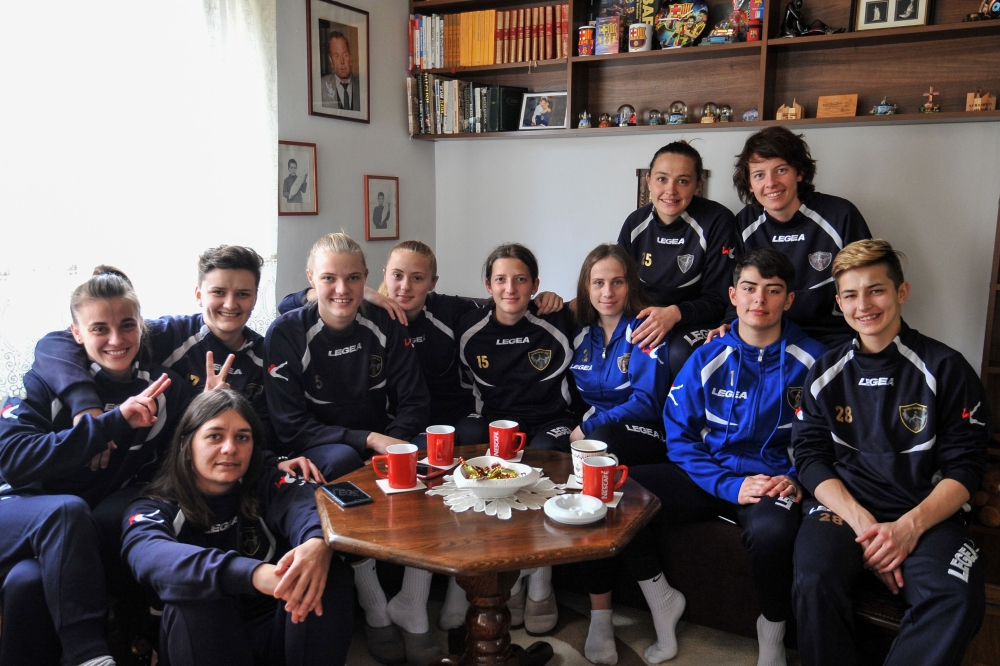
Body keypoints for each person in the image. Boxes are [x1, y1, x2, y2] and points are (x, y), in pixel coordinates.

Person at [582, 249, 826, 666]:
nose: (759, 301)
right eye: (749, 289)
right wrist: (727, 484)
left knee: (772, 535)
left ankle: (771, 641)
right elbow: (679, 438)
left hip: (771, 483)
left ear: (789, 299)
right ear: (733, 295)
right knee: (613, 493)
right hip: (710, 476)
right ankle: (662, 601)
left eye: (773, 291)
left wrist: (795, 478)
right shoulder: (707, 356)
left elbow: (822, 442)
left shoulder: (816, 361)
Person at [792, 239, 991, 666]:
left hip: (927, 514)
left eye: (876, 289)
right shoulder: (823, 372)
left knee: (957, 597)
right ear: (839, 302)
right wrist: (866, 526)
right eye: (850, 294)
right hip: (844, 513)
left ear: (901, 292)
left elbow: (967, 466)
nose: (863, 304)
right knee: (813, 578)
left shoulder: (946, 366)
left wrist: (905, 529)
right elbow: (809, 458)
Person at [0, 268, 194, 666]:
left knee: (28, 583)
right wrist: (111, 422)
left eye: (126, 325)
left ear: (141, 325)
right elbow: (14, 462)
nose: (116, 340)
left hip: (71, 533)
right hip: (17, 510)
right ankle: (89, 657)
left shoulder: (162, 387)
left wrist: (211, 408)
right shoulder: (46, 382)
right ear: (76, 334)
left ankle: (135, 644)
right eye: (99, 328)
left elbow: (179, 459)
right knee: (66, 510)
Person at [263, 232, 434, 665]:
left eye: (353, 278)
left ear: (366, 281)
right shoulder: (285, 332)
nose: (342, 290)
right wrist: (368, 441)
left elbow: (415, 400)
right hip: (322, 444)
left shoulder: (385, 323)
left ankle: (413, 602)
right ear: (310, 280)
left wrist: (392, 441)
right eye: (330, 278)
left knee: (429, 458)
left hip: (381, 436)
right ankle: (374, 604)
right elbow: (290, 425)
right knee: (342, 462)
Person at [29, 245, 321, 482]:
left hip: (225, 468)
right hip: (158, 472)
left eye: (242, 294)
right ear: (198, 295)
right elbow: (54, 343)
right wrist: (85, 405)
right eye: (218, 292)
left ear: (256, 298)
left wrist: (275, 460)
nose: (230, 304)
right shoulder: (165, 335)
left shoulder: (265, 354)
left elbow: (266, 430)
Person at [120, 389, 354, 666]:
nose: (230, 448)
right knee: (198, 598)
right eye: (215, 436)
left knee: (323, 573)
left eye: (242, 437)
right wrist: (253, 574)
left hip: (278, 622)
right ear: (186, 444)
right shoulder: (152, 507)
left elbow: (306, 505)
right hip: (203, 638)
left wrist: (316, 542)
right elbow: (147, 555)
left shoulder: (266, 481)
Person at [455, 243, 577, 636]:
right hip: (495, 421)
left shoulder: (555, 321)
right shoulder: (468, 329)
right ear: (488, 286)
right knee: (469, 441)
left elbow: (599, 300)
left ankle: (540, 578)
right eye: (502, 279)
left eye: (521, 279)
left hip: (550, 421)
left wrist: (559, 300)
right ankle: (486, 573)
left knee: (543, 452)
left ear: (535, 285)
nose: (511, 288)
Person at [726, 126, 872, 347]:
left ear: (800, 173)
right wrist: (728, 322)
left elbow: (869, 282)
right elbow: (736, 284)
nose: (771, 183)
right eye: (759, 175)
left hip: (833, 335)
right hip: (768, 335)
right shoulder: (744, 223)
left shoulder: (840, 215)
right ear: (750, 183)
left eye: (781, 170)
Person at [616, 140, 738, 375]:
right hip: (645, 316)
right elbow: (617, 282)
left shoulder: (718, 220)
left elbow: (719, 299)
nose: (670, 191)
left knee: (676, 353)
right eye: (662, 179)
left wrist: (675, 313)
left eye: (682, 181)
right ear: (648, 180)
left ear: (698, 185)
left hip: (695, 320)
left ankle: (674, 412)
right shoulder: (635, 223)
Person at [568, 243, 672, 466]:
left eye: (617, 282)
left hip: (645, 428)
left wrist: (589, 426)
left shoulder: (646, 327)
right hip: (595, 424)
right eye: (598, 283)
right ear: (587, 288)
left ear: (630, 285)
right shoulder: (579, 331)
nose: (607, 292)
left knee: (600, 442)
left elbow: (647, 402)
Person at [321, 31, 360, 111]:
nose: (342, 61)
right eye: (337, 56)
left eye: (345, 55)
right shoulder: (321, 86)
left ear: (350, 58)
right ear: (331, 61)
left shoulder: (361, 87)